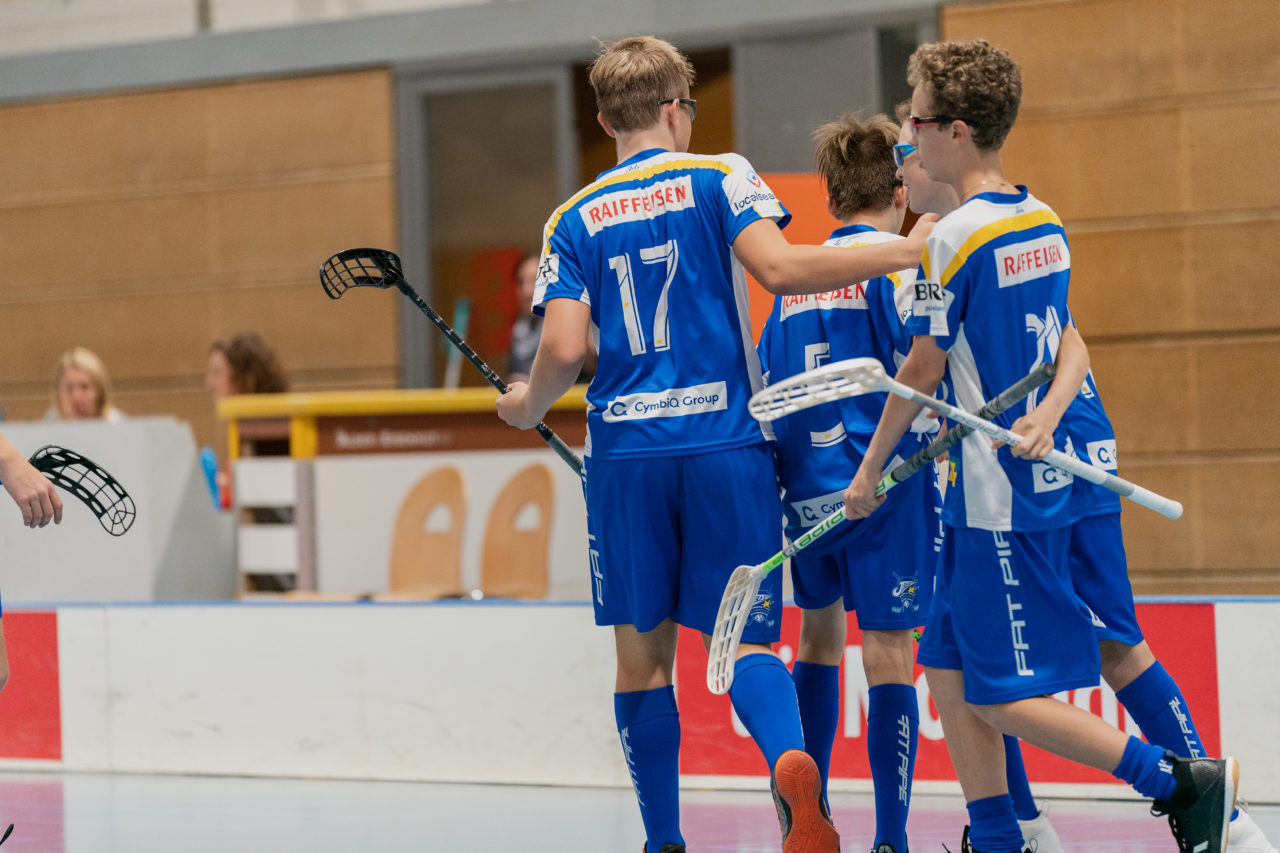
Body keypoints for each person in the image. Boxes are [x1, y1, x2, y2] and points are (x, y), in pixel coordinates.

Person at [495, 35, 933, 853]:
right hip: (729, 444)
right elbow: (781, 270)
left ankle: (664, 839)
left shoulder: (572, 218)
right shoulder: (720, 175)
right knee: (748, 636)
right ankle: (789, 758)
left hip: (627, 454)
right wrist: (910, 248)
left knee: (643, 657)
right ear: (674, 110)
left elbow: (559, 352)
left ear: (603, 118)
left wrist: (528, 407)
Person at [842, 40, 1238, 853]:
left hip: (996, 497)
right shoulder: (1043, 219)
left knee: (999, 694)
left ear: (955, 131)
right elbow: (1065, 344)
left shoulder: (951, 237)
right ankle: (997, 834)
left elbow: (919, 368)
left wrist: (870, 469)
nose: (907, 139)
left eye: (915, 121)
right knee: (946, 664)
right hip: (995, 480)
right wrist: (1051, 410)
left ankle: (1180, 782)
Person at [756, 112, 940, 853]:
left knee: (818, 644)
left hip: (805, 498)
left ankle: (816, 815)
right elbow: (921, 366)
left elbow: (770, 390)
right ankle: (891, 838)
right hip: (881, 484)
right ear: (899, 190)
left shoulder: (792, 287)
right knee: (891, 652)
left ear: (829, 199)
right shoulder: (896, 266)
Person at [46, 347, 123, 421]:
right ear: (58, 395)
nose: (76, 397)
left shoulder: (116, 425)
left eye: (84, 387)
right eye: (69, 389)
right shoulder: (48, 426)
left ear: (100, 392)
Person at [507, 253, 543, 384]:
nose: (526, 291)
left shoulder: (571, 325)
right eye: (521, 282)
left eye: (535, 281)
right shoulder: (518, 328)